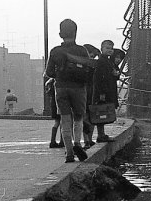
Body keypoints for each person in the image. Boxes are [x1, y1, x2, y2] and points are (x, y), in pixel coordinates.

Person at [45, 18, 95, 163]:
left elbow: (49, 73)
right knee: (78, 118)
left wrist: (59, 74)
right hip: (79, 88)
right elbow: (90, 68)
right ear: (76, 33)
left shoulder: (55, 51)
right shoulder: (81, 50)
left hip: (61, 88)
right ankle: (78, 144)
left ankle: (69, 153)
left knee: (65, 120)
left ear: (60, 34)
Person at [90, 40, 122, 143]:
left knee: (103, 112)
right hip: (103, 91)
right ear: (102, 49)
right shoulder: (101, 62)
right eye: (107, 48)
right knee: (101, 112)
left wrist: (116, 74)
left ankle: (102, 134)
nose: (109, 50)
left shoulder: (108, 61)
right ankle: (100, 135)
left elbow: (111, 76)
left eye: (111, 48)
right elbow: (98, 79)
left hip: (108, 89)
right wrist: (101, 93)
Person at [44, 77, 64, 148]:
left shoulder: (50, 82)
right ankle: (62, 141)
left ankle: (52, 141)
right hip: (61, 102)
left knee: (57, 122)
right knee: (63, 122)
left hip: (53, 103)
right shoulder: (60, 80)